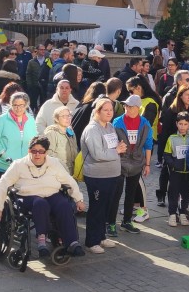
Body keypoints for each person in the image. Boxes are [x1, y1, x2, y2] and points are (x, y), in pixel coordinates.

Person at [0, 135, 86, 257]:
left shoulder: (54, 163)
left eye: (41, 152)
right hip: (28, 197)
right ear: (29, 151)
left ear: (46, 152)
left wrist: (79, 199)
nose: (37, 155)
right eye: (34, 151)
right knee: (40, 203)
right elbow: (2, 185)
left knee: (64, 204)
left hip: (52, 194)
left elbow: (70, 182)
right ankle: (41, 240)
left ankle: (72, 242)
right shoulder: (18, 165)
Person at [79, 96, 126, 253]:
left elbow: (111, 147)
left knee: (106, 207)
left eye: (111, 110)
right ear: (97, 112)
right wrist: (117, 151)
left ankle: (101, 236)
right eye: (105, 110)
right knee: (97, 208)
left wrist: (118, 147)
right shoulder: (92, 129)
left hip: (112, 174)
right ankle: (92, 241)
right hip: (97, 176)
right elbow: (97, 153)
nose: (109, 112)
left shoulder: (110, 126)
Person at [111, 94, 153, 234]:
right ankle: (110, 223)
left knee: (131, 194)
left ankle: (127, 222)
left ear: (138, 108)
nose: (127, 108)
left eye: (130, 106)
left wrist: (147, 164)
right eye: (126, 106)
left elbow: (148, 145)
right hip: (120, 162)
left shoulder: (145, 123)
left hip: (136, 163)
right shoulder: (117, 122)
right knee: (116, 193)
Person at [163, 112, 189, 226]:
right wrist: (173, 165)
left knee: (186, 193)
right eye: (180, 124)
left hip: (188, 171)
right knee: (173, 192)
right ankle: (172, 213)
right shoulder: (172, 138)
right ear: (176, 124)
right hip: (176, 172)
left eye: (185, 124)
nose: (182, 127)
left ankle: (182, 212)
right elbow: (167, 154)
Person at [45, 105, 78, 172]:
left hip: (72, 171)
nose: (67, 118)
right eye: (63, 116)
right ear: (56, 119)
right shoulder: (51, 133)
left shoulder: (70, 131)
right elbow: (49, 155)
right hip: (59, 171)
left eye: (69, 115)